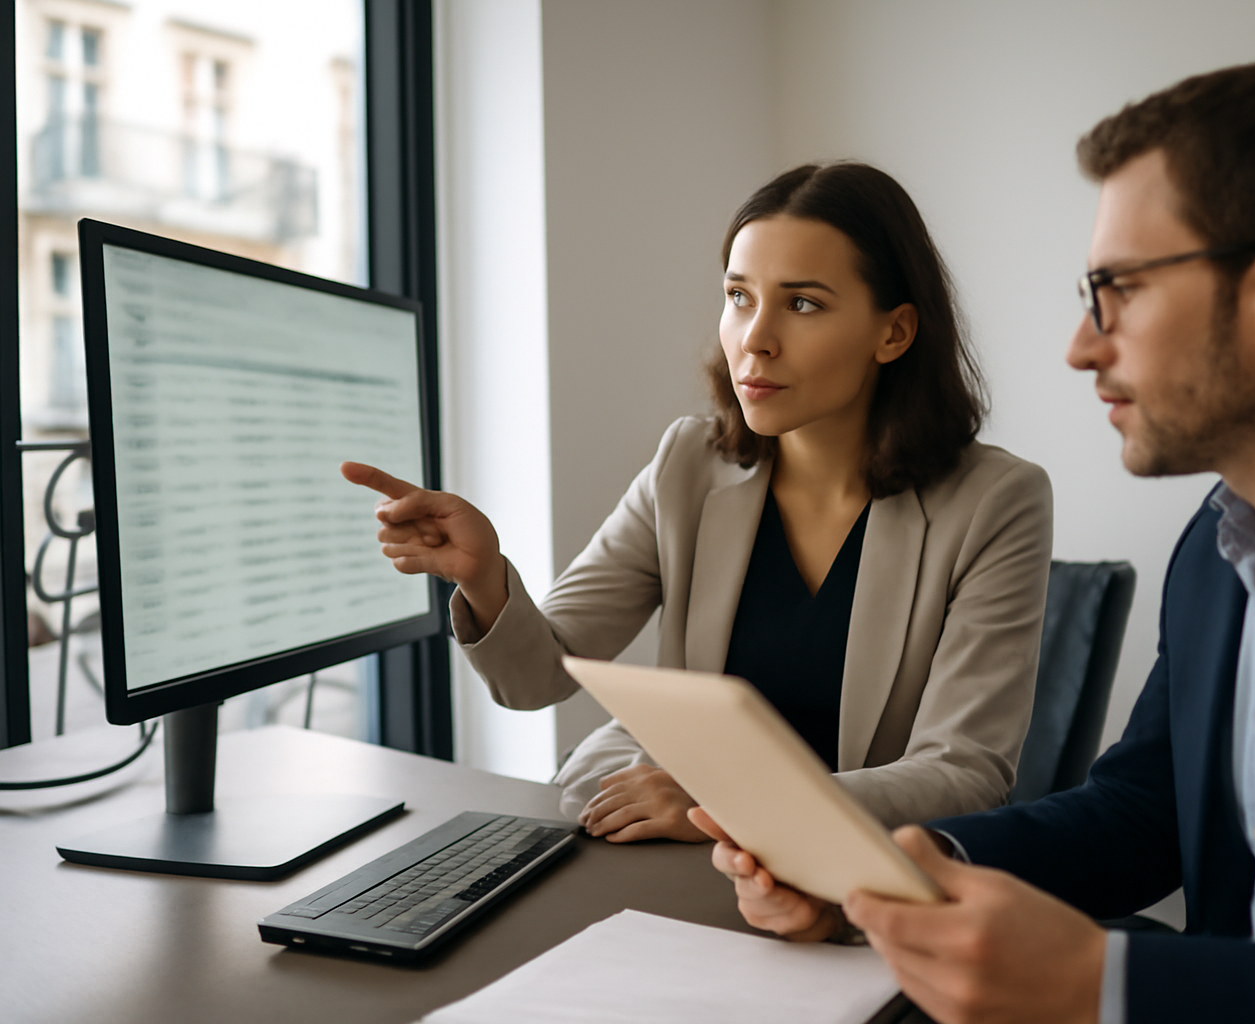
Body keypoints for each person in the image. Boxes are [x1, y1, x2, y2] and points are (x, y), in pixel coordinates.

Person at [699, 61, 1255, 1021]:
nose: (1082, 345)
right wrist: (887, 878)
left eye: (1119, 289)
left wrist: (1113, 984)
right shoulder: (1220, 546)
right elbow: (1144, 815)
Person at [345, 162, 1053, 842]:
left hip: (859, 877)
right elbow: (537, 677)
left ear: (893, 332)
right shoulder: (687, 464)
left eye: (802, 304)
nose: (756, 340)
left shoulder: (996, 501)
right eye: (739, 297)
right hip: (691, 859)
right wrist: (484, 577)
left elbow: (965, 776)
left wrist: (731, 805)